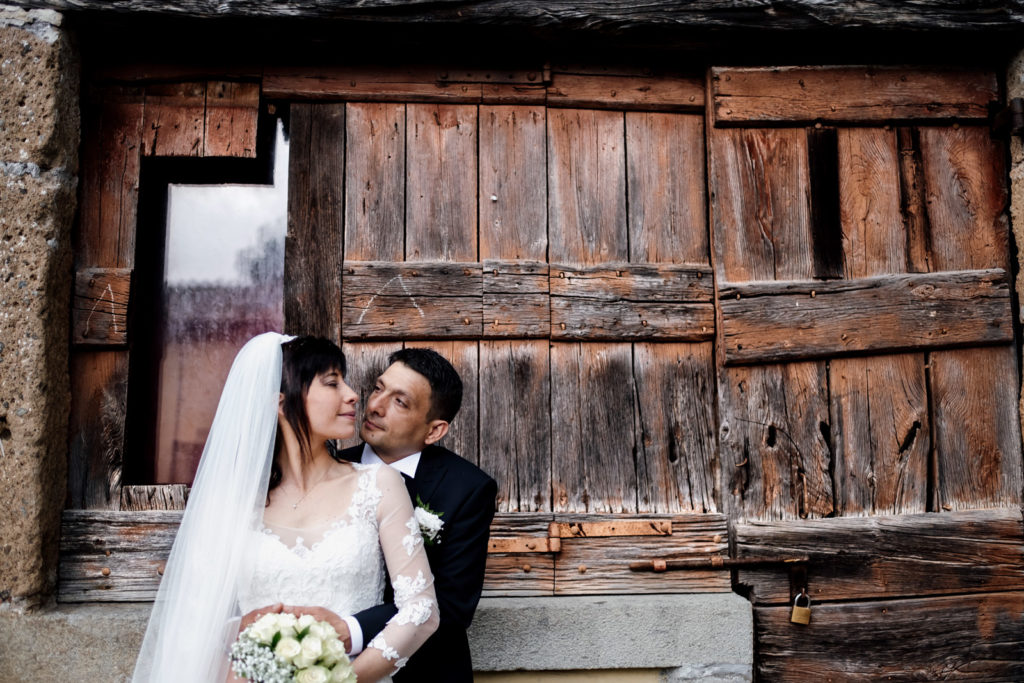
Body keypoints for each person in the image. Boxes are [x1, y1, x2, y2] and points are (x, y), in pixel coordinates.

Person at [132, 333, 438, 683]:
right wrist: (237, 629)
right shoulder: (232, 503)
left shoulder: (379, 484)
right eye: (332, 383)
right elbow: (193, 620)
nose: (353, 394)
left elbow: (421, 609)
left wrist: (345, 678)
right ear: (280, 403)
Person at [335, 348, 498, 683]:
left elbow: (452, 607)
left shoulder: (467, 489)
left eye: (400, 402)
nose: (375, 406)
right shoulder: (329, 468)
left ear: (434, 430)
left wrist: (349, 630)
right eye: (379, 388)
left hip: (423, 672)